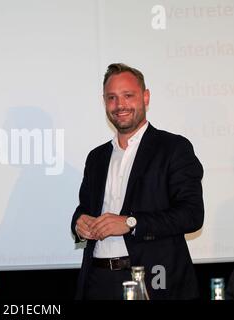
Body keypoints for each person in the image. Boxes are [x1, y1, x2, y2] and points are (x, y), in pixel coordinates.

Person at [71, 63, 204, 300]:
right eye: (112, 97)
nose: (120, 105)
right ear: (104, 102)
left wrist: (131, 223)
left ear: (145, 97)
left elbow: (191, 215)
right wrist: (79, 223)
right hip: (98, 281)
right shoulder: (96, 157)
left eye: (128, 95)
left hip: (152, 279)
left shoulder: (173, 148)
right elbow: (84, 209)